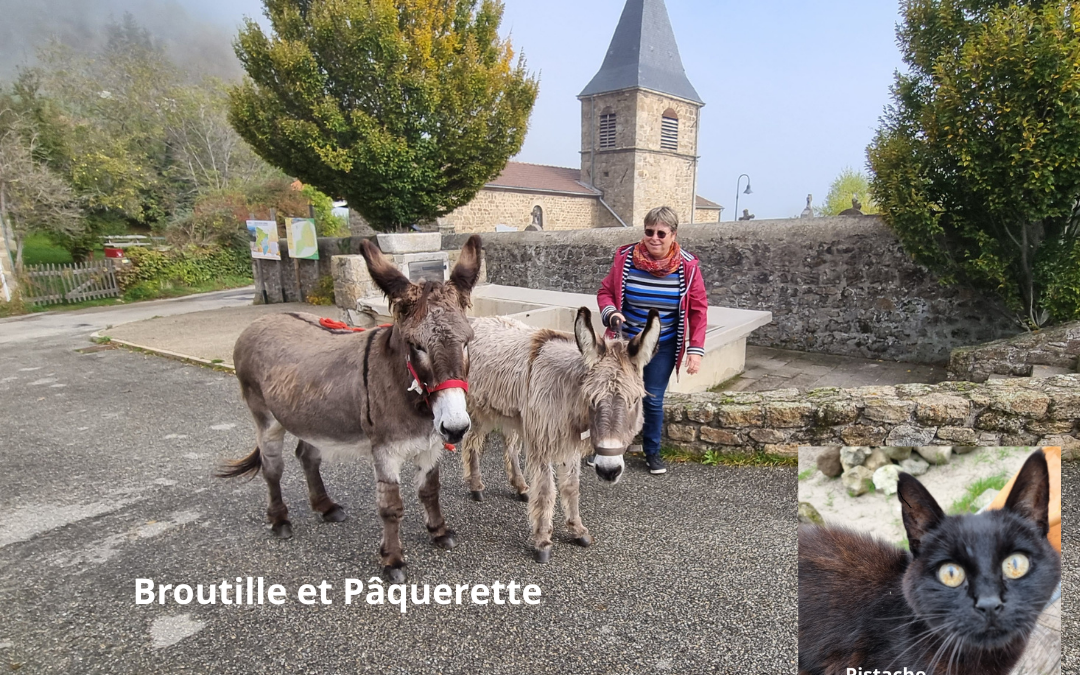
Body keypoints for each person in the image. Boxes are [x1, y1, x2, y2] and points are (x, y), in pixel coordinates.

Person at [593, 206, 707, 475]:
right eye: (649, 232)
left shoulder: (687, 267)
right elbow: (605, 291)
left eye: (661, 233)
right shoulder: (625, 257)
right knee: (612, 396)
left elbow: (698, 309)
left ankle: (652, 451)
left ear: (673, 234)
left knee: (653, 398)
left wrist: (696, 351)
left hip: (662, 345)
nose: (654, 238)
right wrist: (611, 313)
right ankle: (604, 447)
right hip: (624, 344)